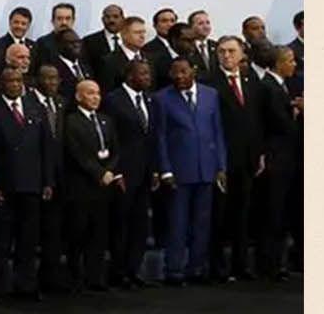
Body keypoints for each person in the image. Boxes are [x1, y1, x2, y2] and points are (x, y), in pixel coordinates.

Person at [153, 57, 227, 285]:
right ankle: (174, 271)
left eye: (183, 72)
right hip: (178, 171)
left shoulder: (210, 94)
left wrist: (221, 166)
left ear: (193, 71)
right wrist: (164, 169)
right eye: (175, 73)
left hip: (206, 169)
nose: (179, 77)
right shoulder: (162, 98)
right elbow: (160, 137)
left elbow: (217, 132)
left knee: (202, 223)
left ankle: (197, 268)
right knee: (177, 223)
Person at [0, 67, 56, 299]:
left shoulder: (35, 108)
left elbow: (46, 146)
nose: (16, 85)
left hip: (32, 183)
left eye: (19, 80)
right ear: (1, 84)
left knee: (28, 239)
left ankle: (26, 285)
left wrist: (48, 181)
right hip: (5, 185)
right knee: (2, 240)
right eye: (11, 81)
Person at [103, 58, 160, 287]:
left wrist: (155, 169)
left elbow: (152, 137)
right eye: (143, 74)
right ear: (129, 76)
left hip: (145, 172)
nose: (147, 78)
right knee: (121, 224)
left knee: (139, 225)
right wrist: (115, 171)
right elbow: (110, 138)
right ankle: (118, 271)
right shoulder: (113, 100)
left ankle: (134, 269)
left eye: (148, 74)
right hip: (124, 174)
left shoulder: (149, 99)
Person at [212, 36, 265, 280]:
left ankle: (241, 265)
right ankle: (218, 267)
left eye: (231, 51)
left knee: (243, 214)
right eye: (221, 51)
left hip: (247, 158)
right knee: (220, 215)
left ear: (242, 53)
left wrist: (259, 152)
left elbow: (256, 119)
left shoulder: (251, 80)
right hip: (222, 159)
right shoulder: (209, 82)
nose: (226, 55)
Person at [59, 79, 120, 293]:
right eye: (90, 93)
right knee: (78, 233)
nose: (95, 97)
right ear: (78, 97)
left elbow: (115, 150)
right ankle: (75, 278)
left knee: (99, 233)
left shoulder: (106, 120)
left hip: (103, 188)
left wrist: (110, 170)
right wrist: (99, 172)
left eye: (97, 93)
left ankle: (96, 277)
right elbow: (76, 153)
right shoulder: (71, 122)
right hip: (81, 186)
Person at [256, 45, 301, 279]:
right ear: (277, 63)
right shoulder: (269, 87)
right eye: (290, 60)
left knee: (281, 212)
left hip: (285, 159)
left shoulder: (278, 86)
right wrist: (296, 113)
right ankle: (269, 264)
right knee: (272, 212)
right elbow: (279, 124)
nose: (294, 64)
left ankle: (276, 262)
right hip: (276, 159)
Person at [28, 64, 71, 290]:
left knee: (55, 230)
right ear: (37, 80)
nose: (52, 83)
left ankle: (53, 278)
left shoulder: (62, 103)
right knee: (37, 230)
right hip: (37, 175)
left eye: (56, 79)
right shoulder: (29, 103)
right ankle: (34, 281)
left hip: (61, 174)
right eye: (48, 79)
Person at [98, 15, 149, 92]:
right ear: (123, 35)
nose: (142, 36)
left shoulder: (151, 58)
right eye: (137, 32)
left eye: (143, 32)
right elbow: (108, 91)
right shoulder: (109, 61)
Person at [32, 2, 79, 72]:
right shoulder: (43, 43)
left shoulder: (78, 43)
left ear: (73, 21)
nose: (64, 22)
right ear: (53, 21)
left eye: (68, 18)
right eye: (59, 19)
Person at [81, 5, 125, 75]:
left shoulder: (129, 39)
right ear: (102, 19)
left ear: (123, 19)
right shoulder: (89, 41)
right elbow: (86, 66)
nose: (111, 20)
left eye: (115, 17)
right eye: (107, 17)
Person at [50, 28, 91, 99]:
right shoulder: (54, 68)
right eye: (71, 43)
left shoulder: (86, 66)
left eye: (78, 42)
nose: (76, 45)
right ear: (60, 45)